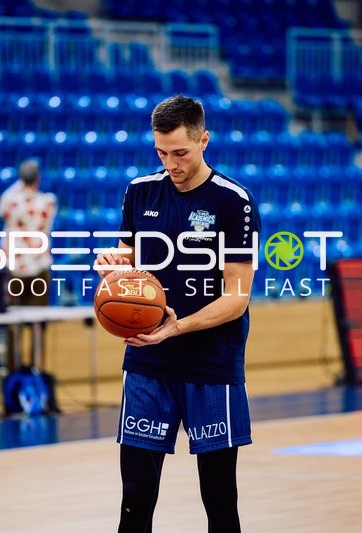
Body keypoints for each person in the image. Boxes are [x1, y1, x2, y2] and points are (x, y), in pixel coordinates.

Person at [95, 95, 261, 532]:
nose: (171, 163)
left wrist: (177, 327)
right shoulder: (139, 191)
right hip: (148, 363)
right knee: (135, 500)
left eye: (181, 153)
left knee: (220, 500)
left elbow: (238, 296)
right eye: (161, 152)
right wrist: (112, 270)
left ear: (204, 141)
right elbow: (128, 266)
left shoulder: (234, 202)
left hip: (212, 365)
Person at [0, 158, 58, 370]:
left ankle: (13, 375)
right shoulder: (48, 202)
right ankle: (37, 372)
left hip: (14, 269)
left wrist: (21, 182)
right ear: (38, 179)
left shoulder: (9, 201)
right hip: (39, 268)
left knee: (13, 326)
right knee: (38, 326)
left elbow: (1, 207)